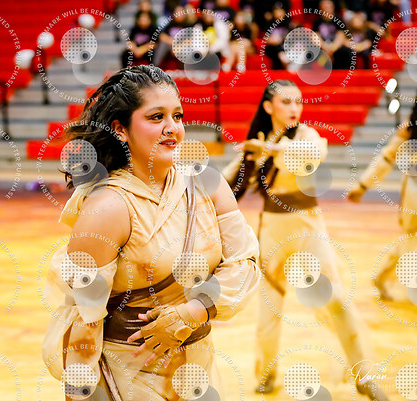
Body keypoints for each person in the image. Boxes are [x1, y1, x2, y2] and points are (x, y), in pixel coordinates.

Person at [42, 65, 260, 400]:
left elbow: (245, 264)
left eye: (178, 116)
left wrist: (195, 311)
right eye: (157, 117)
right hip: (129, 375)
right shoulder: (108, 207)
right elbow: (84, 324)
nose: (173, 128)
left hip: (198, 366)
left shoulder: (207, 183)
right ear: (120, 129)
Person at [222, 80, 389, 400]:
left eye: (298, 102)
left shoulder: (306, 136)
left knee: (336, 299)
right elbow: (227, 181)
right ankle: (266, 373)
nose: (294, 108)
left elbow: (312, 154)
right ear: (268, 106)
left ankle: (365, 374)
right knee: (269, 307)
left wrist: (269, 150)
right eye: (286, 102)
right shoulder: (258, 143)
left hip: (308, 226)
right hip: (272, 228)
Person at [348, 101, 417, 300]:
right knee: (412, 238)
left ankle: (383, 278)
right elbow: (387, 157)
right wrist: (363, 185)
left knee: (411, 240)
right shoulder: (408, 129)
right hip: (413, 190)